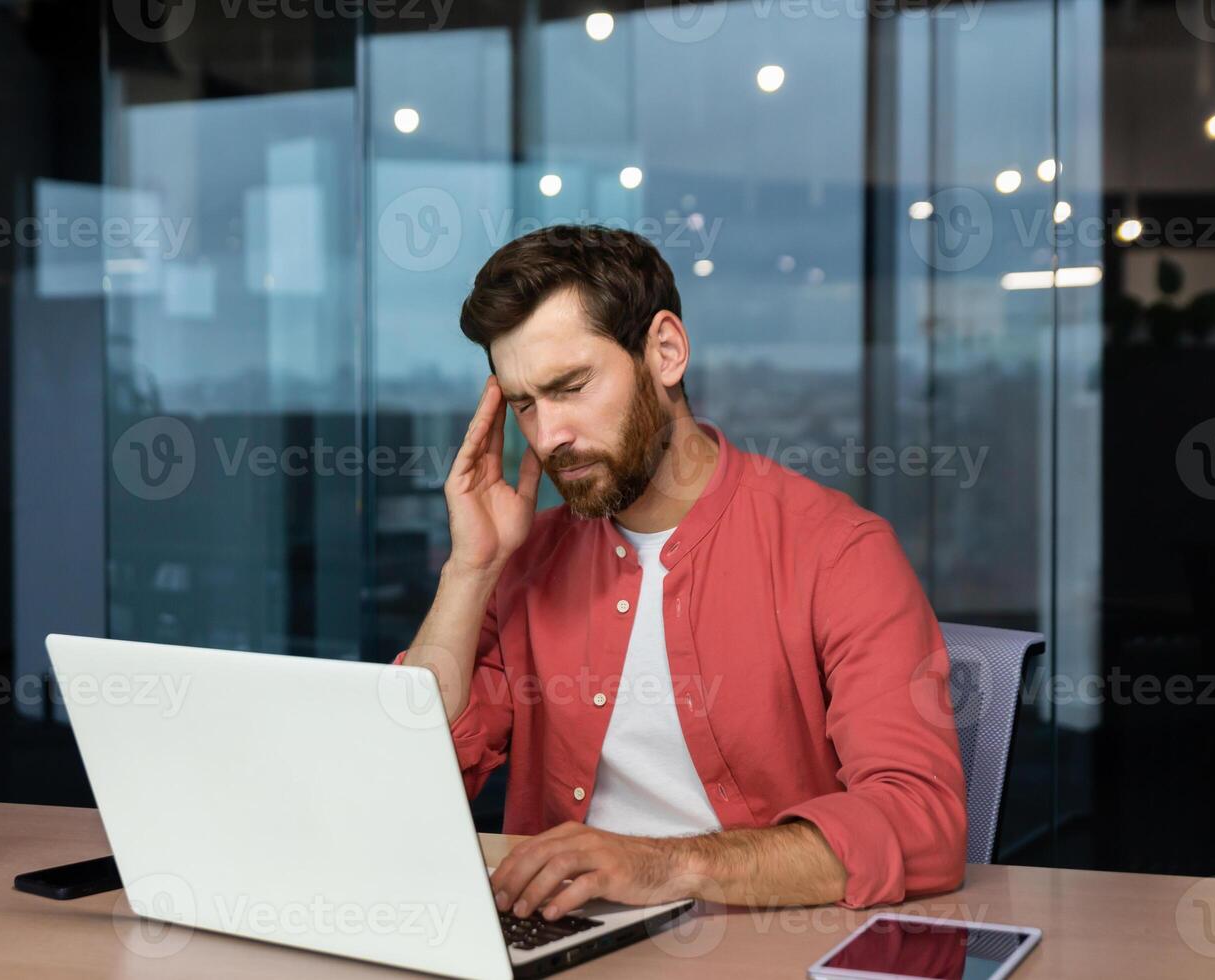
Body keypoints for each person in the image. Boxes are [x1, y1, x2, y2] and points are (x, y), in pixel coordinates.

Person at [398, 224, 966, 919]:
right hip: (566, 946)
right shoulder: (522, 565)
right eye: (524, 405)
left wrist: (666, 865)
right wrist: (471, 568)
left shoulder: (837, 551)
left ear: (665, 351)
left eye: (571, 387)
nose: (547, 437)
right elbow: (403, 778)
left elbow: (922, 824)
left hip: (764, 946)